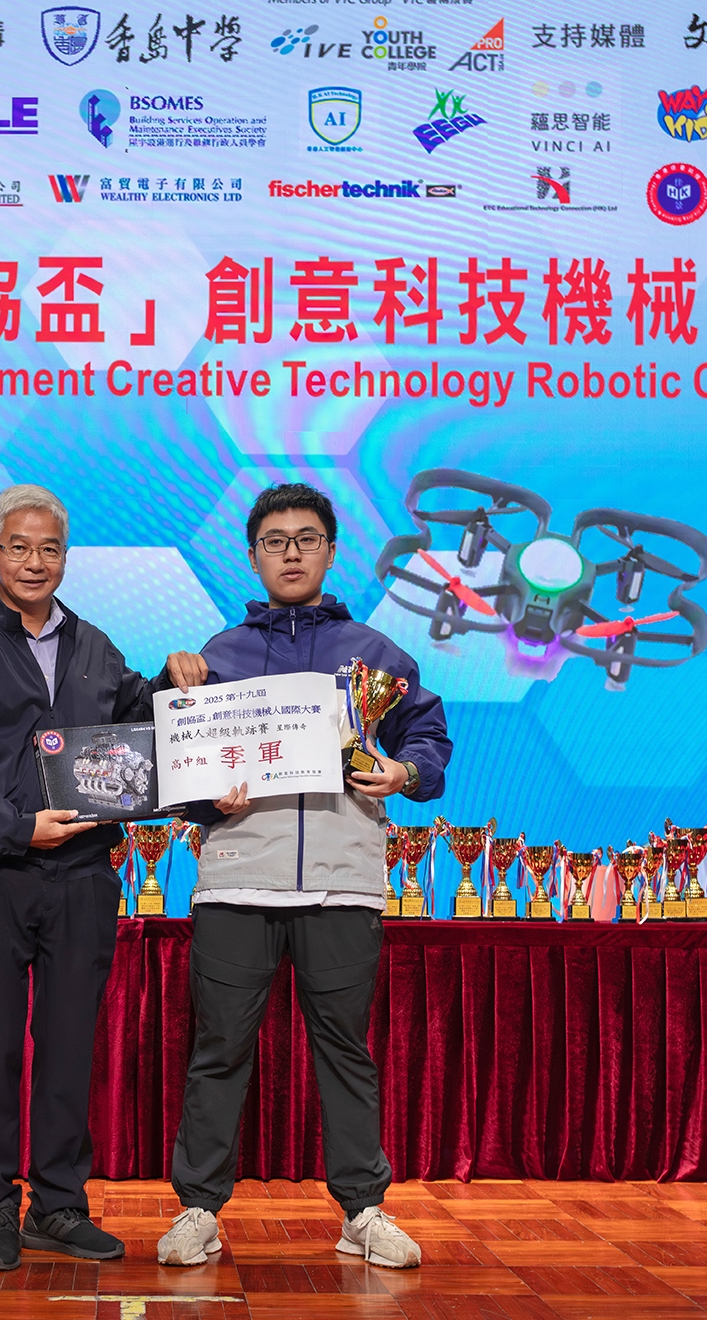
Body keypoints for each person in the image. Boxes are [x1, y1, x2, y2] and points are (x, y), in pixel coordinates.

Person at [155, 481, 452, 1270]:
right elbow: (180, 773)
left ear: (330, 550)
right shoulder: (216, 656)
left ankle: (362, 1211)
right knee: (219, 1049)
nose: (291, 553)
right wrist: (200, 778)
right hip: (235, 880)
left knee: (345, 1049)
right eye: (275, 541)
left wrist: (405, 772)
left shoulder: (377, 656)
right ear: (253, 556)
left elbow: (427, 738)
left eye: (306, 539)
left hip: (343, 881)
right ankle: (198, 1209)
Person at [0, 483, 175, 1271]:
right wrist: (18, 827)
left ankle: (58, 1205)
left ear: (65, 558)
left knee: (68, 1045)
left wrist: (176, 681)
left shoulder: (95, 648)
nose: (33, 561)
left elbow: (141, 727)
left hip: (83, 873)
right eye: (18, 547)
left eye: (48, 548)